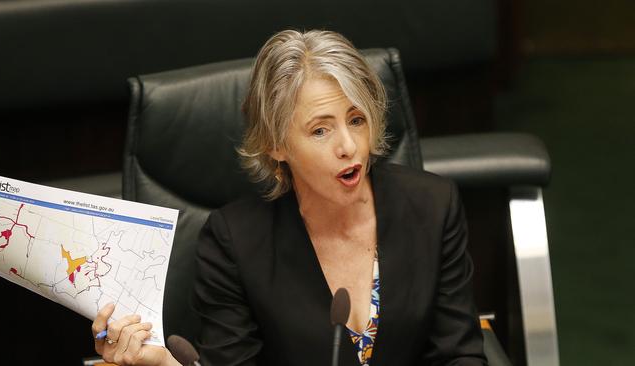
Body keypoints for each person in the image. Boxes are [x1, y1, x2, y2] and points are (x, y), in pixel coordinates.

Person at [91, 29, 487, 366]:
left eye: (356, 120)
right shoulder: (234, 243)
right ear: (276, 144)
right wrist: (163, 362)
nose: (349, 146)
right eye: (320, 130)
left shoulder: (433, 206)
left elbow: (460, 354)